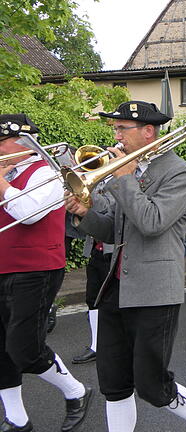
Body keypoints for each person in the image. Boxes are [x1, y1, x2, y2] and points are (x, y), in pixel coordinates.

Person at [65, 101, 186, 432]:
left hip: (154, 291)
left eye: (122, 128)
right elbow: (113, 229)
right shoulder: (128, 169)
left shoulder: (177, 171)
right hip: (116, 286)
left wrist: (123, 178)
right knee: (114, 382)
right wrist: (83, 213)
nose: (116, 135)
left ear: (148, 131)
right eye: (116, 128)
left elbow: (152, 222)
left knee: (151, 385)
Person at [0, 114, 92, 432]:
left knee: (25, 349)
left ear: (23, 144)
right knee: (1, 348)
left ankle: (76, 392)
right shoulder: (8, 172)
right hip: (3, 266)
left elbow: (26, 215)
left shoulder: (48, 174)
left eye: (1, 143)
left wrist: (1, 183)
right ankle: (17, 418)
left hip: (36, 269)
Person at [72, 181, 115, 364]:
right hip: (96, 250)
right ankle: (96, 345)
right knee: (92, 298)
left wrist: (84, 190)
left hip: (111, 252)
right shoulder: (98, 182)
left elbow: (105, 206)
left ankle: (111, 345)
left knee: (111, 301)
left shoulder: (117, 182)